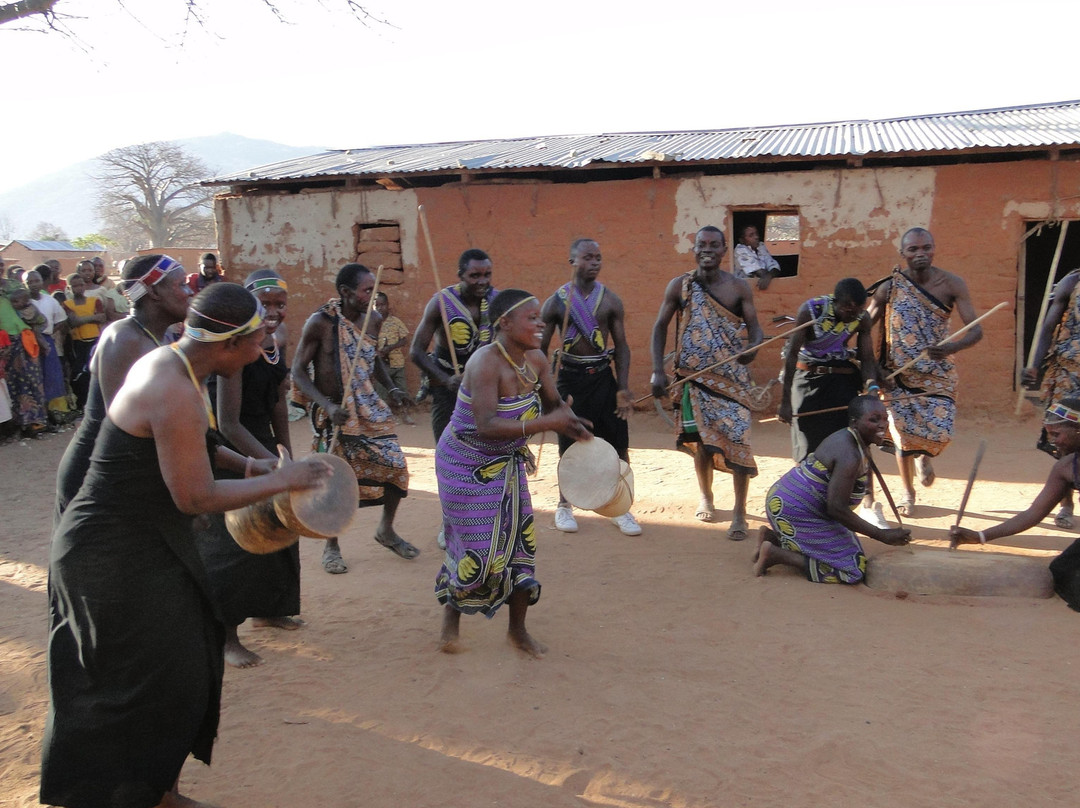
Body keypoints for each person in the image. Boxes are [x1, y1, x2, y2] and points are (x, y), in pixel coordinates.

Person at [41, 283, 333, 808]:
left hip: (144, 546)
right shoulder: (172, 387)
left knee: (182, 670)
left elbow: (193, 447)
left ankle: (157, 789)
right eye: (259, 340)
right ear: (228, 346)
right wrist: (285, 479)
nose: (266, 348)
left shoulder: (178, 366)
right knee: (129, 685)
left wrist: (249, 465)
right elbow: (195, 496)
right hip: (110, 555)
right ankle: (121, 795)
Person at [435, 289, 592, 658]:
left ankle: (518, 631)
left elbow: (554, 406)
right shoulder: (484, 364)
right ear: (504, 323)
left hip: (505, 463)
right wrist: (545, 424)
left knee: (521, 545)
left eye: (541, 317)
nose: (540, 324)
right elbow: (486, 425)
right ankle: (450, 620)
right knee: (477, 549)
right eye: (531, 318)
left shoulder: (536, 359)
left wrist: (575, 426)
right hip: (463, 464)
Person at [194, 269, 302, 668]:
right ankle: (226, 637)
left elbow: (277, 401)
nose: (273, 311)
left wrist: (286, 454)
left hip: (260, 443)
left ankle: (271, 608)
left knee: (279, 527)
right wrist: (270, 467)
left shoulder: (279, 340)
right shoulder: (238, 348)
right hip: (232, 448)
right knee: (234, 544)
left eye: (279, 303)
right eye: (265, 304)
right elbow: (227, 422)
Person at [292, 262, 416, 574]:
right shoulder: (320, 323)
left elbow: (372, 361)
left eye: (374, 288)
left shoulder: (374, 319)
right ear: (346, 293)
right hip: (333, 413)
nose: (372, 294)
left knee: (396, 467)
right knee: (334, 480)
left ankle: (385, 530)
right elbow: (297, 372)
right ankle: (331, 546)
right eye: (366, 290)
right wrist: (326, 406)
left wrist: (392, 388)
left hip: (369, 408)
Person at [55, 254, 193, 518]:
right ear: (153, 291)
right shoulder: (124, 338)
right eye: (181, 285)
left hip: (124, 468)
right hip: (94, 470)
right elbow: (119, 430)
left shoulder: (157, 337)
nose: (189, 292)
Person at [650, 225, 763, 540]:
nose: (708, 249)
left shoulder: (739, 288)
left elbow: (755, 328)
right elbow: (660, 327)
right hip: (693, 380)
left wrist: (752, 350)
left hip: (733, 382)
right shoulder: (680, 286)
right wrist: (658, 370)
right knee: (701, 443)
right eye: (702, 244)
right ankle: (707, 496)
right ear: (694, 249)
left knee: (739, 444)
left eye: (715, 245)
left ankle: (740, 512)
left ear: (725, 250)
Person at [866, 227, 982, 516]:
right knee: (902, 435)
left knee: (940, 433)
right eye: (913, 249)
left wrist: (951, 348)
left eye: (926, 248)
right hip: (897, 375)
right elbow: (864, 327)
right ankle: (908, 493)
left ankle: (923, 456)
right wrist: (871, 366)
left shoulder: (952, 284)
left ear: (934, 249)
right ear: (902, 254)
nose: (920, 254)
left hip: (938, 374)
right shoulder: (889, 287)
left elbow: (976, 331)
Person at [540, 237, 641, 536]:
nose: (595, 262)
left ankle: (620, 506)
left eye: (598, 257)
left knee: (618, 442)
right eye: (588, 257)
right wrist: (546, 392)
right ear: (573, 262)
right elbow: (540, 350)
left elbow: (622, 347)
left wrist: (622, 387)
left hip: (602, 378)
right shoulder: (557, 302)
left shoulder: (610, 300)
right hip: (570, 379)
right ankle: (564, 505)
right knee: (569, 443)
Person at [754, 395, 911, 580]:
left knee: (848, 548)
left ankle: (774, 537)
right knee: (852, 569)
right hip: (794, 510)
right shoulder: (849, 454)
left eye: (885, 418)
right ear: (854, 422)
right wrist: (880, 534)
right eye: (874, 419)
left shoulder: (855, 441)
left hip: (788, 500)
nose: (882, 424)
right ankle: (775, 554)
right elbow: (836, 508)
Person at [950, 397, 1080, 610]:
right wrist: (981, 536)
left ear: (1077, 429)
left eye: (1057, 434)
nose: (1053, 441)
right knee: (1061, 572)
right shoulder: (1066, 467)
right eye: (1050, 435)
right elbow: (1033, 513)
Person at [777, 278, 887, 527]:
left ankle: (868, 506)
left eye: (858, 309)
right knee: (807, 449)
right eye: (848, 309)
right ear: (835, 301)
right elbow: (792, 355)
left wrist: (871, 388)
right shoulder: (811, 310)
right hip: (807, 380)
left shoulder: (862, 318)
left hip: (841, 380)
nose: (853, 314)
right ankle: (804, 508)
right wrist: (785, 401)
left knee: (857, 443)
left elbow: (867, 358)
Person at [410, 248, 498, 442]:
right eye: (474, 276)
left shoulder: (497, 302)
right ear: (460, 276)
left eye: (487, 275)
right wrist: (446, 379)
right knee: (447, 441)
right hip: (448, 383)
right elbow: (416, 351)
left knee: (487, 442)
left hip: (486, 383)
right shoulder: (441, 303)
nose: (482, 281)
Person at [1022, 267, 1080, 528]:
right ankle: (1066, 503)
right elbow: (1048, 327)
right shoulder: (1073, 282)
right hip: (1070, 372)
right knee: (1065, 441)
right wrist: (1034, 364)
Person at [0, 279, 49, 437]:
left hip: (24, 341)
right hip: (5, 345)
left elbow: (38, 319)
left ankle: (36, 423)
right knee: (11, 387)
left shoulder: (13, 288)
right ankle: (18, 424)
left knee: (33, 382)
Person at [26, 267, 70, 424]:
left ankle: (51, 413)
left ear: (41, 282)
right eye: (29, 282)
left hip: (47, 341)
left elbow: (62, 320)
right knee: (34, 378)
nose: (33, 284)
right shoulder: (23, 302)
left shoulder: (49, 300)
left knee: (51, 376)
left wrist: (50, 333)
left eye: (36, 281)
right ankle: (38, 416)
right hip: (29, 343)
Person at [62, 272, 106, 411]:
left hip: (95, 340)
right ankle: (83, 403)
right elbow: (73, 322)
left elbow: (102, 318)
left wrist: (82, 320)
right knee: (81, 372)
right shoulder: (67, 304)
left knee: (97, 370)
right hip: (78, 342)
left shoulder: (94, 300)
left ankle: (100, 403)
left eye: (81, 285)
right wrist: (92, 317)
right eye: (74, 286)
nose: (79, 288)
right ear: (69, 288)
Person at [373, 291, 415, 425]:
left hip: (397, 363)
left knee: (402, 390)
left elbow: (404, 340)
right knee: (381, 393)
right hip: (381, 366)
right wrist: (377, 352)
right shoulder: (371, 323)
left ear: (388, 305)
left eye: (382, 305)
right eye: (376, 305)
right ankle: (385, 416)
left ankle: (405, 414)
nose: (380, 308)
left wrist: (389, 348)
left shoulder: (396, 322)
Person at [732, 225, 781, 290]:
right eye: (751, 235)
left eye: (756, 233)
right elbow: (759, 272)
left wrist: (769, 276)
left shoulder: (761, 246)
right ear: (742, 240)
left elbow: (774, 267)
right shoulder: (740, 250)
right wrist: (769, 275)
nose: (756, 237)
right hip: (743, 290)